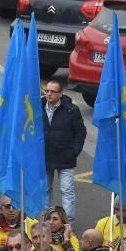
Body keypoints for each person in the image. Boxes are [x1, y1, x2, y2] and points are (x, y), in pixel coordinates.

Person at [41, 80, 86, 223]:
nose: (48, 94)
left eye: (53, 91)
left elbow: (80, 132)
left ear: (60, 93)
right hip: (44, 157)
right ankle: (46, 220)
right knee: (45, 189)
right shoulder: (38, 107)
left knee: (66, 191)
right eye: (47, 91)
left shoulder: (71, 110)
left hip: (65, 157)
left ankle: (68, 223)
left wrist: (74, 152)